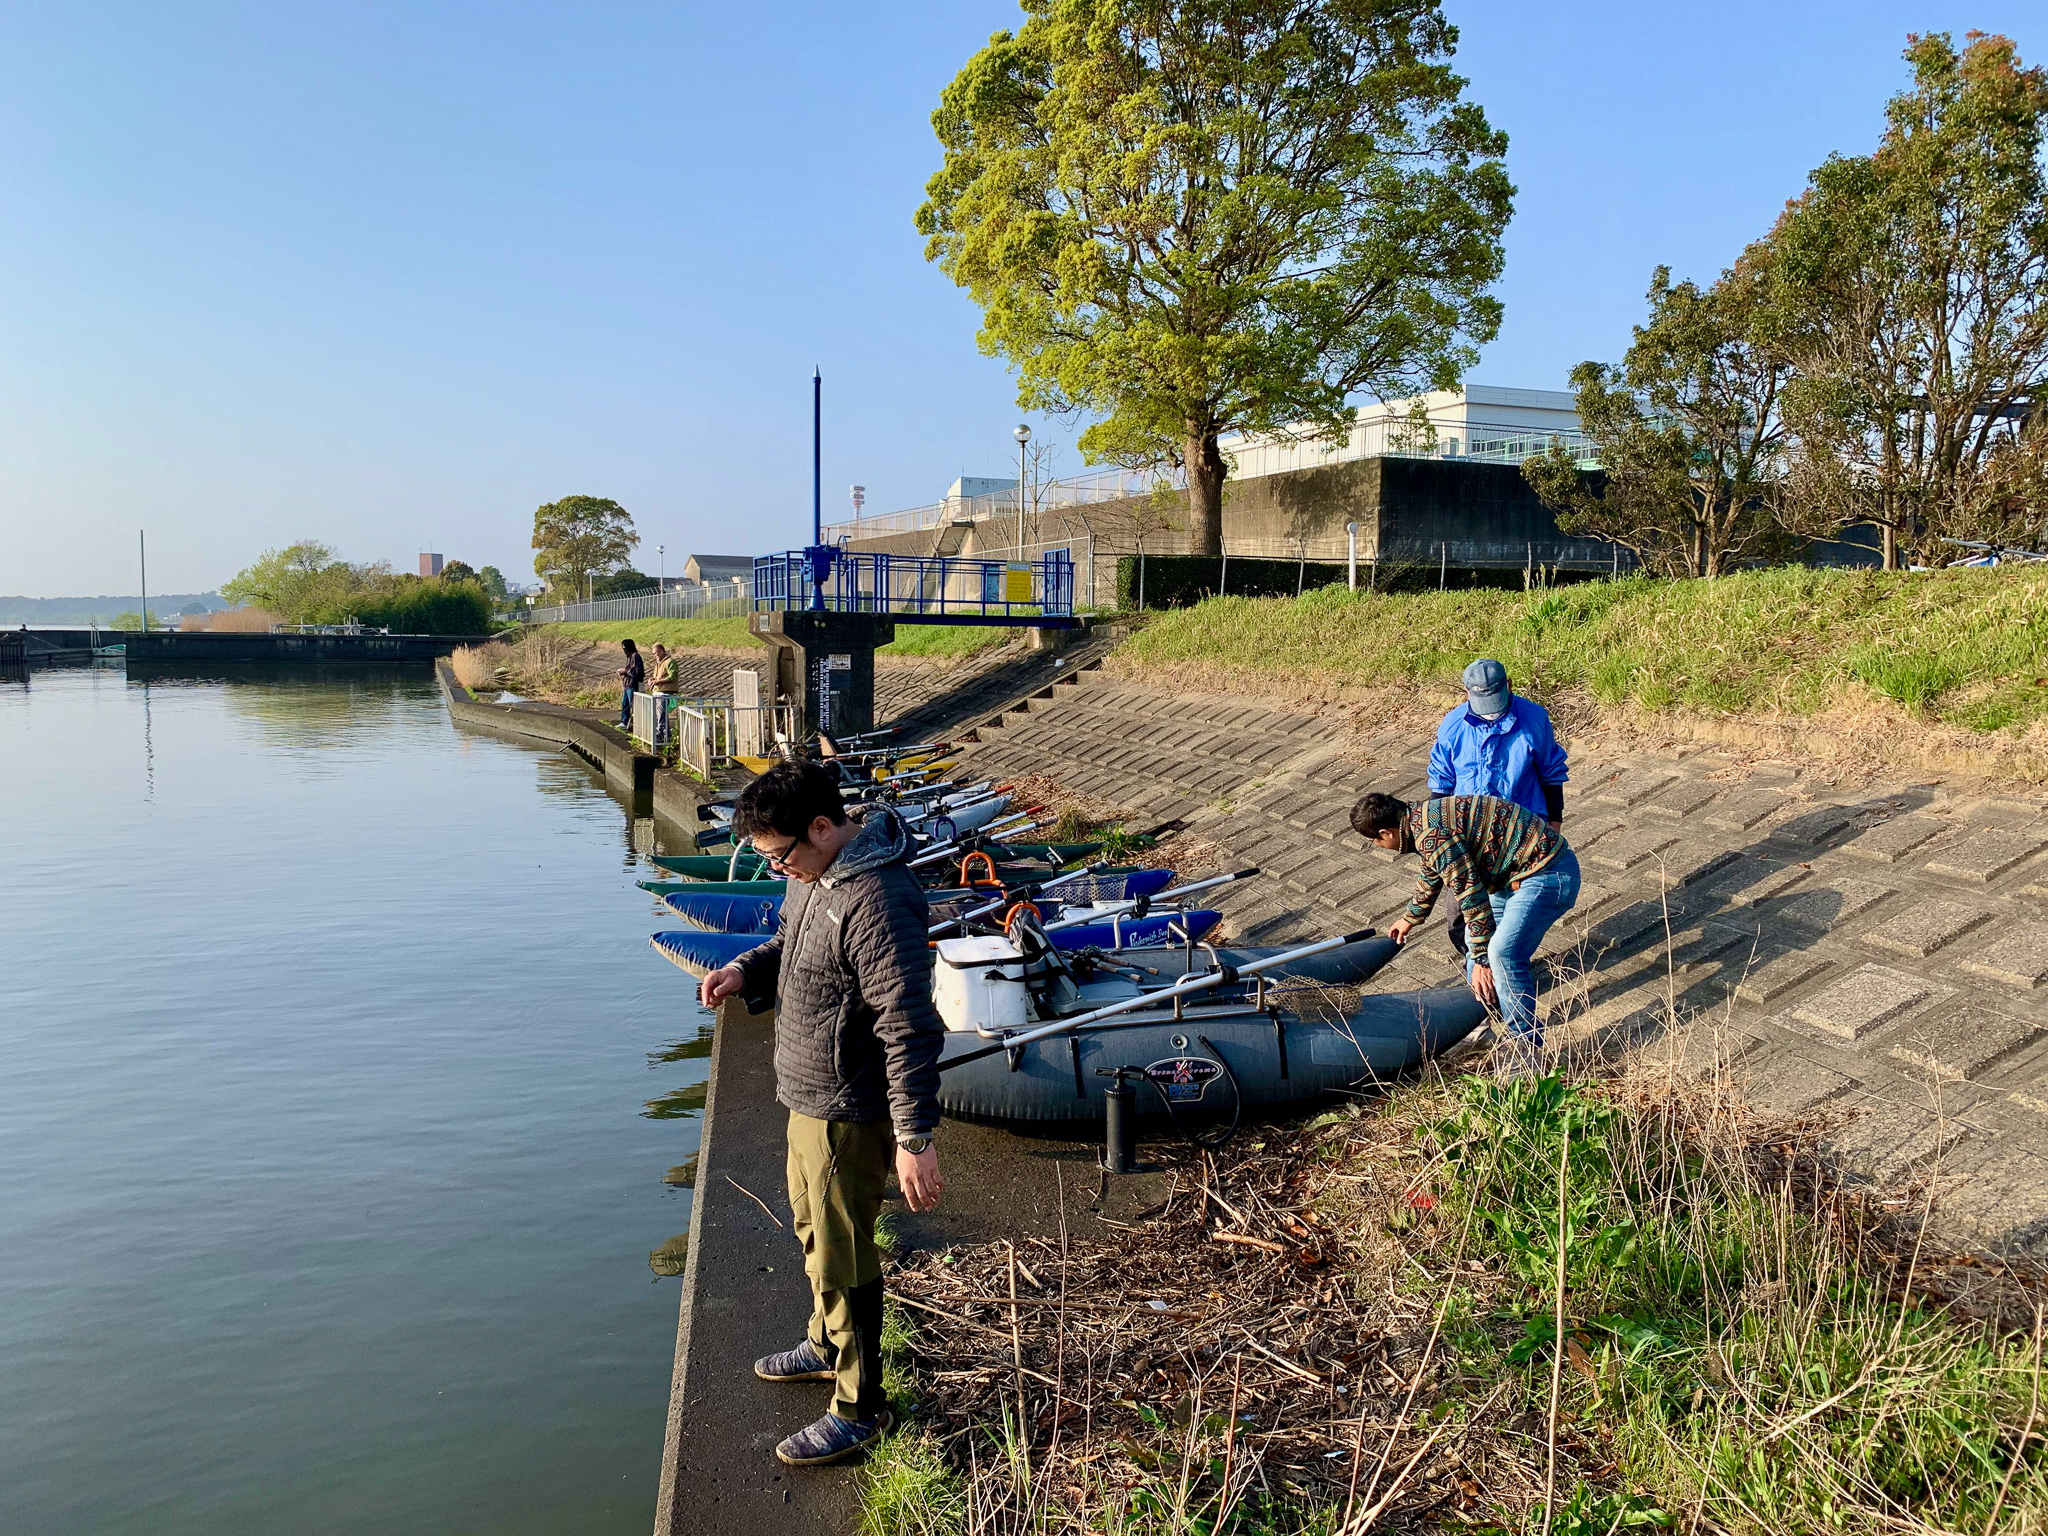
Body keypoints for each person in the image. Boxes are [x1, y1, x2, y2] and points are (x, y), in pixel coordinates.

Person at [698, 761, 944, 1466]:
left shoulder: (877, 899)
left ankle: (860, 1406)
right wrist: (744, 970)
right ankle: (825, 1343)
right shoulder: (812, 874)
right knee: (813, 1233)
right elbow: (789, 942)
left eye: (782, 855)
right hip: (805, 1096)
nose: (780, 869)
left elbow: (908, 1025)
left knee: (844, 1254)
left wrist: (914, 1136)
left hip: (847, 1109)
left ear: (823, 827)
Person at [1350, 790, 1581, 1079]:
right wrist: (1411, 917)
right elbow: (1432, 870)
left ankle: (1526, 1050)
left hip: (1548, 873)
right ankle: (1477, 1029)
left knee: (1502, 953)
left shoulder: (1430, 833)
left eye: (1374, 840)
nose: (1378, 846)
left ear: (1386, 833)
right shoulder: (1421, 819)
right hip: (1511, 878)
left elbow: (1470, 896)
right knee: (1474, 944)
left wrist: (1484, 959)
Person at [1429, 658, 1568, 958]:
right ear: (1466, 693)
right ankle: (1477, 966)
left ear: (1509, 686)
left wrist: (1554, 822)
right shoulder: (1452, 726)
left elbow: (1551, 772)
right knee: (1459, 913)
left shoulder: (1534, 718)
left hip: (1520, 832)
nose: (1491, 710)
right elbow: (1441, 782)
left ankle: (1504, 964)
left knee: (1511, 910)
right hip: (1467, 834)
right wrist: (1436, 831)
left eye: (1495, 700)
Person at [647, 642, 681, 746]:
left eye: (655, 653)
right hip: (658, 692)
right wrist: (652, 679)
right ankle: (664, 736)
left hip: (665, 693)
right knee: (659, 716)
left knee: (661, 716)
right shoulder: (659, 663)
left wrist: (659, 681)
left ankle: (663, 737)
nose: (654, 656)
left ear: (661, 651)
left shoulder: (670, 662)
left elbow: (673, 676)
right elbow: (657, 677)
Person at [615, 639, 644, 730]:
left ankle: (636, 724)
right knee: (625, 704)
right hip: (627, 685)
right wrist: (623, 672)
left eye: (624, 647)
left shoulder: (635, 656)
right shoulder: (629, 656)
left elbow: (637, 671)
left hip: (633, 685)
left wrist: (625, 671)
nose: (624, 649)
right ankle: (624, 722)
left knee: (634, 705)